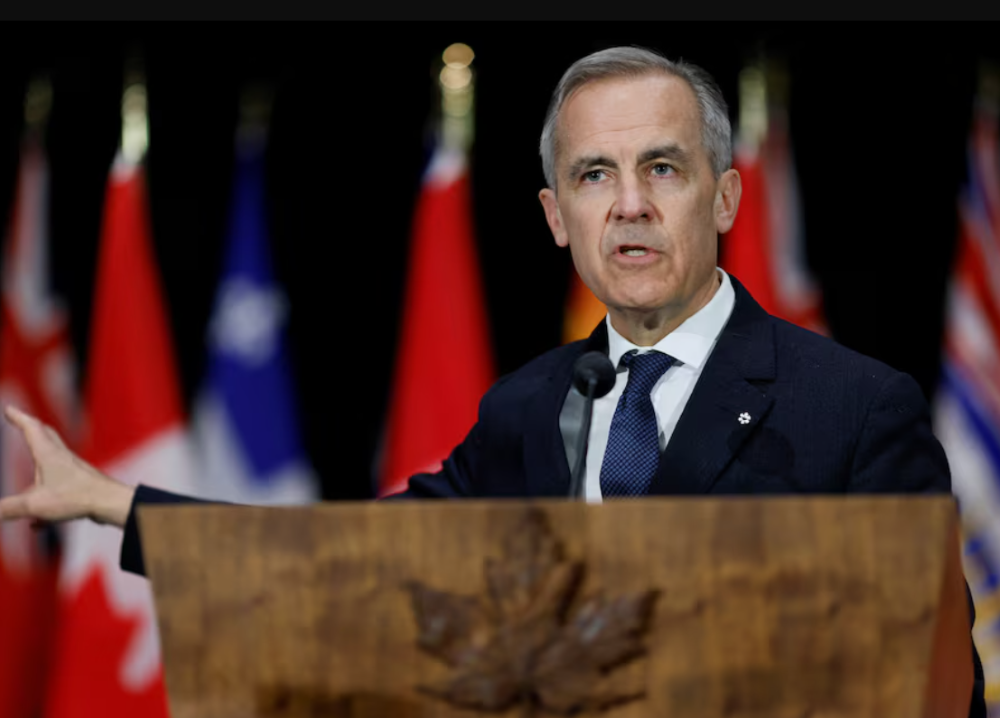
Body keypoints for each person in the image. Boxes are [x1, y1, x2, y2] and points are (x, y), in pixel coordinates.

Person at [0, 46, 986, 713]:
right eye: (596, 176)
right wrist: (113, 501)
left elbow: (939, 681)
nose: (630, 207)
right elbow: (360, 563)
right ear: (557, 217)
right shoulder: (527, 408)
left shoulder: (856, 409)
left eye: (664, 169)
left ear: (724, 194)